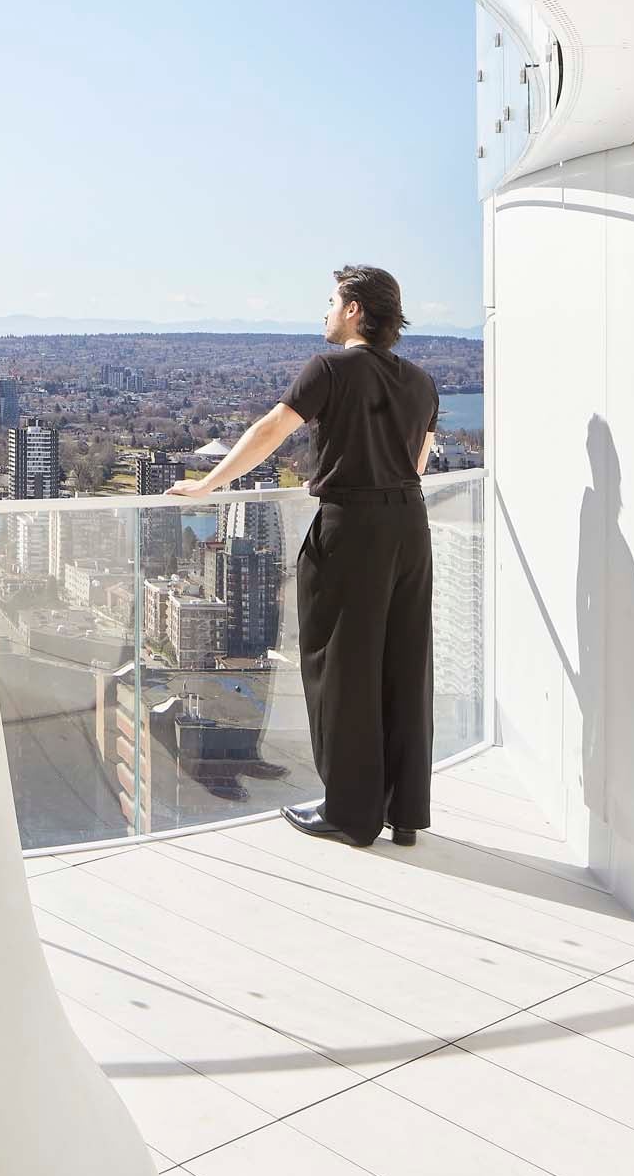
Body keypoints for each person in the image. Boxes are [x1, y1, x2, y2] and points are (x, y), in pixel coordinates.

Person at [169, 265, 438, 848]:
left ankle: (350, 812)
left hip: (353, 527)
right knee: (404, 665)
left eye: (333, 301)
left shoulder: (330, 369)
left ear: (355, 310)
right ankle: (404, 812)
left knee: (341, 666)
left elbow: (272, 431)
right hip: (410, 528)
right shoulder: (421, 381)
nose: (326, 312)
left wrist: (209, 484)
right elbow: (418, 463)